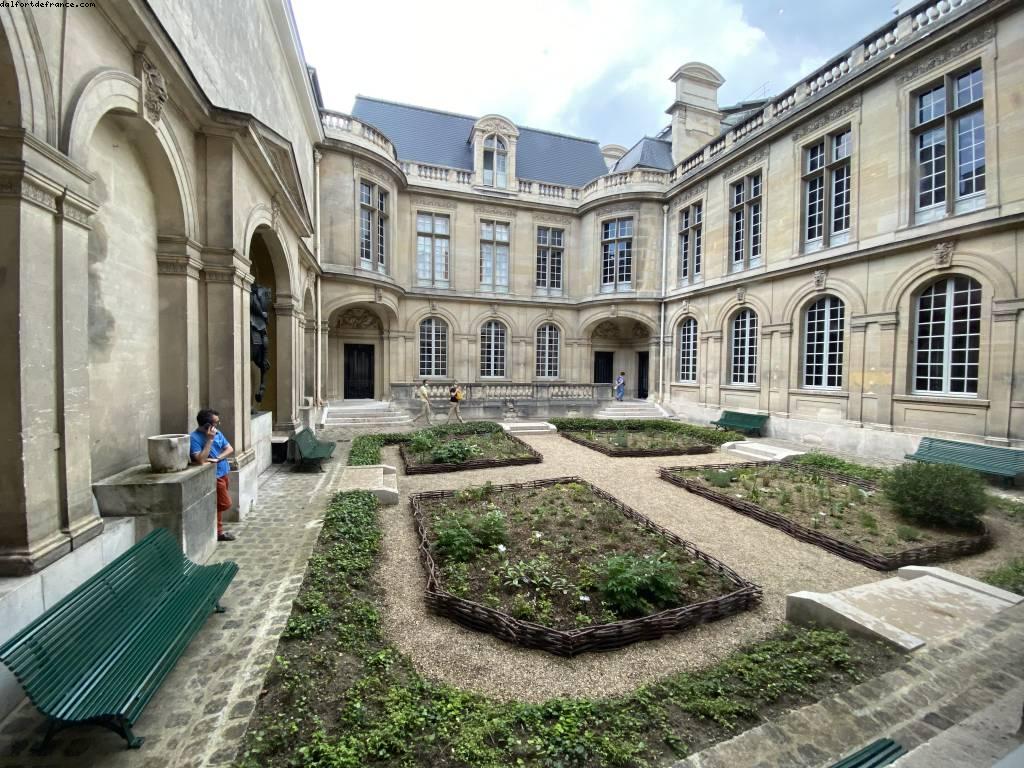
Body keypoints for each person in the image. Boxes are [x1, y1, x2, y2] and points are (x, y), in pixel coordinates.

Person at [190, 408, 236, 542]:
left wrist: (218, 458)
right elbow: (200, 459)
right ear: (207, 426)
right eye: (216, 423)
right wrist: (209, 440)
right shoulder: (194, 438)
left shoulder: (218, 433)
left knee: (218, 504)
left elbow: (229, 449)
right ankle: (211, 528)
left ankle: (218, 531)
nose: (218, 425)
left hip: (223, 471)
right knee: (224, 504)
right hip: (213, 476)